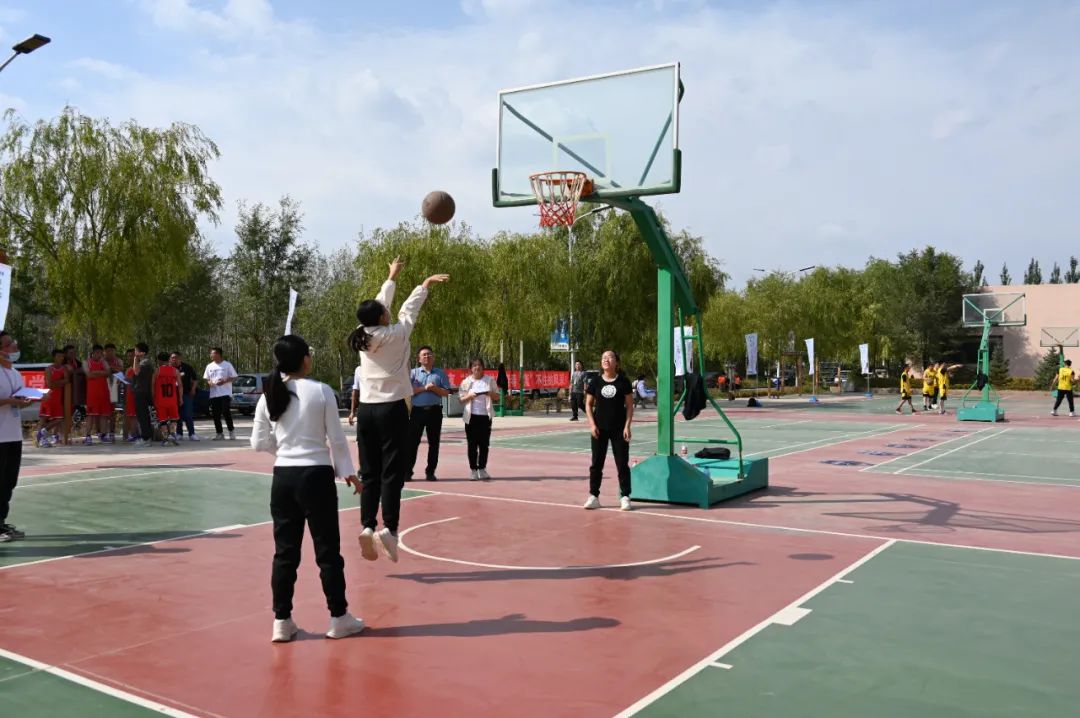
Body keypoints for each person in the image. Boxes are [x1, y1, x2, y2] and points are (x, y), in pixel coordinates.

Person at [250, 335, 364, 643]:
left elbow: (258, 442)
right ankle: (339, 618)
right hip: (316, 476)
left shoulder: (269, 395)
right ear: (304, 359)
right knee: (327, 552)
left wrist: (285, 452)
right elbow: (336, 439)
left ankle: (281, 621)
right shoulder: (321, 391)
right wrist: (349, 473)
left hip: (283, 478)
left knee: (285, 553)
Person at [348, 257, 448, 563]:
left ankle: (367, 525)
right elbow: (408, 310)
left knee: (370, 472)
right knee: (392, 474)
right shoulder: (396, 334)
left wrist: (392, 277)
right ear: (381, 317)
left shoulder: (363, 334)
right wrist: (423, 285)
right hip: (392, 410)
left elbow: (382, 303)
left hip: (367, 411)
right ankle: (389, 529)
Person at [584, 349, 634, 511]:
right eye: (603, 357)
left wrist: (627, 426)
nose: (606, 359)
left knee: (622, 464)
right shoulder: (595, 382)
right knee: (596, 464)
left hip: (619, 429)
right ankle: (594, 496)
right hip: (599, 429)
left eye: (610, 357)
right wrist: (592, 425)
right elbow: (588, 405)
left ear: (616, 362)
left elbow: (630, 406)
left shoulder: (624, 382)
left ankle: (625, 496)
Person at [0, 331, 32, 542]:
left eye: (13, 342)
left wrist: (25, 401)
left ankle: (1, 522)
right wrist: (11, 401)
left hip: (13, 435)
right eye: (8, 344)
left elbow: (18, 399)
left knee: (9, 482)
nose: (14, 346)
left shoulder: (15, 373)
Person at [406, 346, 450, 482]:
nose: (427, 357)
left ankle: (430, 472)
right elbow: (409, 391)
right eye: (424, 355)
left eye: (429, 354)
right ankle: (407, 472)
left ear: (433, 357)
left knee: (434, 443)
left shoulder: (440, 374)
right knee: (412, 443)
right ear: (419, 359)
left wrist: (435, 388)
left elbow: (446, 392)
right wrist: (424, 388)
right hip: (417, 411)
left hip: (435, 411)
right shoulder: (413, 373)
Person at [458, 358, 494, 481]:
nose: (477, 367)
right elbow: (461, 399)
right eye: (474, 365)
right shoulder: (466, 382)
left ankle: (482, 469)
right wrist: (470, 396)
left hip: (485, 417)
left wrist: (490, 393)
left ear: (483, 367)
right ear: (471, 368)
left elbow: (497, 396)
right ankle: (473, 470)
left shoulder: (489, 380)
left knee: (484, 445)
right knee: (472, 445)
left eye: (479, 365)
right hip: (471, 417)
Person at [35, 349, 69, 447]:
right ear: (54, 357)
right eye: (58, 356)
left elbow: (66, 380)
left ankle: (42, 433)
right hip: (48, 397)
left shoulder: (64, 369)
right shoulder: (49, 369)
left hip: (57, 398)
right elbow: (50, 384)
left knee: (59, 419)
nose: (61, 358)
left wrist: (56, 383)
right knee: (44, 418)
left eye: (62, 357)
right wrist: (60, 382)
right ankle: (41, 440)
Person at [204, 347, 238, 440]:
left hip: (225, 393)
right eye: (211, 353)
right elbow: (207, 378)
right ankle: (219, 433)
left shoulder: (227, 365)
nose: (211, 355)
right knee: (216, 414)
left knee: (225, 411)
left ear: (218, 354)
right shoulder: (209, 366)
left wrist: (225, 381)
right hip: (214, 394)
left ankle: (231, 431)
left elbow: (234, 377)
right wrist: (209, 383)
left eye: (213, 353)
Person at [83, 344, 114, 444]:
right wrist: (101, 372)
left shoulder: (104, 362)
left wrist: (95, 373)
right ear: (92, 353)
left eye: (101, 353)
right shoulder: (86, 362)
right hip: (92, 393)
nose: (99, 355)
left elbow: (108, 372)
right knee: (90, 415)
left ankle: (103, 435)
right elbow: (88, 374)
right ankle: (88, 436)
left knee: (104, 415)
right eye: (97, 353)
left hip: (104, 392)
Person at [153, 352, 181, 445]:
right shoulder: (175, 371)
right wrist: (181, 398)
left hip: (160, 400)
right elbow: (180, 386)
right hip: (172, 400)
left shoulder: (157, 371)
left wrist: (153, 397)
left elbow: (152, 385)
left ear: (159, 360)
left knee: (162, 420)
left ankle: (165, 438)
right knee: (174, 419)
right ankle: (173, 435)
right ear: (169, 359)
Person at [171, 352, 200, 440]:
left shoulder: (187, 367)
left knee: (188, 414)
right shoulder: (169, 368)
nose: (174, 359)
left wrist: (193, 389)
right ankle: (179, 433)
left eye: (175, 357)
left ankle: (192, 434)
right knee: (177, 415)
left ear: (180, 358)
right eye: (172, 358)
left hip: (186, 394)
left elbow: (195, 380)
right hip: (173, 395)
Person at [131, 342, 156, 446]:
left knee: (143, 415)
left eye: (136, 351)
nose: (135, 353)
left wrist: (135, 359)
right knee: (143, 415)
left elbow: (136, 371)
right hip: (141, 391)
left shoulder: (145, 362)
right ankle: (147, 436)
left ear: (142, 352)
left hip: (142, 392)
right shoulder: (145, 362)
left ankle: (146, 438)